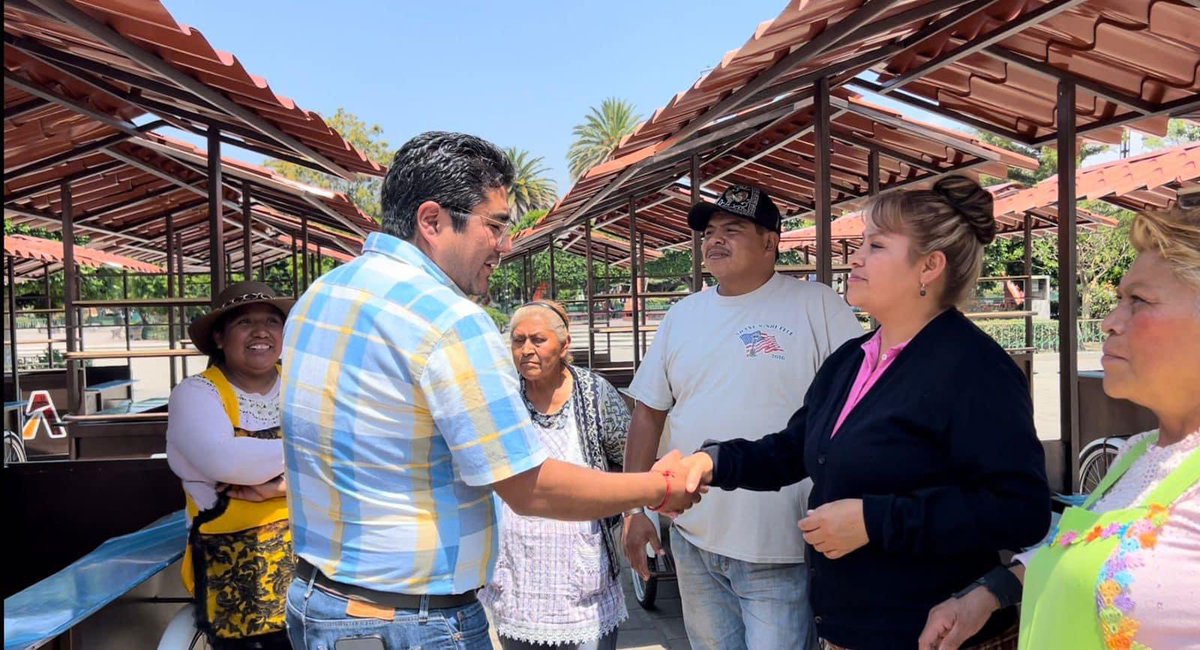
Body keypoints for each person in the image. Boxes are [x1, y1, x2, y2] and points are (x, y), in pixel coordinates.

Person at [280, 132, 699, 650]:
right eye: (495, 225)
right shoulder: (447, 319)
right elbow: (531, 488)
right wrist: (657, 489)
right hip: (411, 619)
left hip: (318, 601)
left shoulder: (320, 296)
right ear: (432, 221)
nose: (505, 245)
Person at [675, 176, 1052, 650]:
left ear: (929, 266)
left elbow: (1020, 510)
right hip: (845, 630)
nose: (855, 257)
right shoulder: (852, 359)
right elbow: (795, 447)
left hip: (929, 633)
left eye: (875, 246)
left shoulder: (975, 370)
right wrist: (712, 462)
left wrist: (876, 521)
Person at [919, 206, 1200, 650]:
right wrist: (991, 593)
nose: (1110, 321)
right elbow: (1088, 546)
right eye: (1119, 299)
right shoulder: (1138, 454)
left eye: (1139, 301)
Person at [622, 183, 862, 650]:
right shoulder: (682, 315)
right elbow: (647, 414)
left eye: (733, 229)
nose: (715, 240)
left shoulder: (818, 306)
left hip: (783, 547)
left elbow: (854, 413)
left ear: (771, 242)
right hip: (695, 542)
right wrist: (634, 510)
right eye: (710, 232)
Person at [479, 300, 630, 650]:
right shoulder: (504, 396)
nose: (526, 350)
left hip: (582, 570)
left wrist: (629, 514)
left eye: (537, 340)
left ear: (564, 346)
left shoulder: (594, 394)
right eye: (518, 341)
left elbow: (626, 459)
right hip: (518, 573)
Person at [166, 281, 295, 650]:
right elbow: (227, 461)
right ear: (219, 338)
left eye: (272, 321)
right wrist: (313, 455)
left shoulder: (302, 383)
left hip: (313, 580)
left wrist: (285, 486)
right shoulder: (196, 394)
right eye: (244, 323)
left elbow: (352, 451)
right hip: (238, 591)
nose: (261, 332)